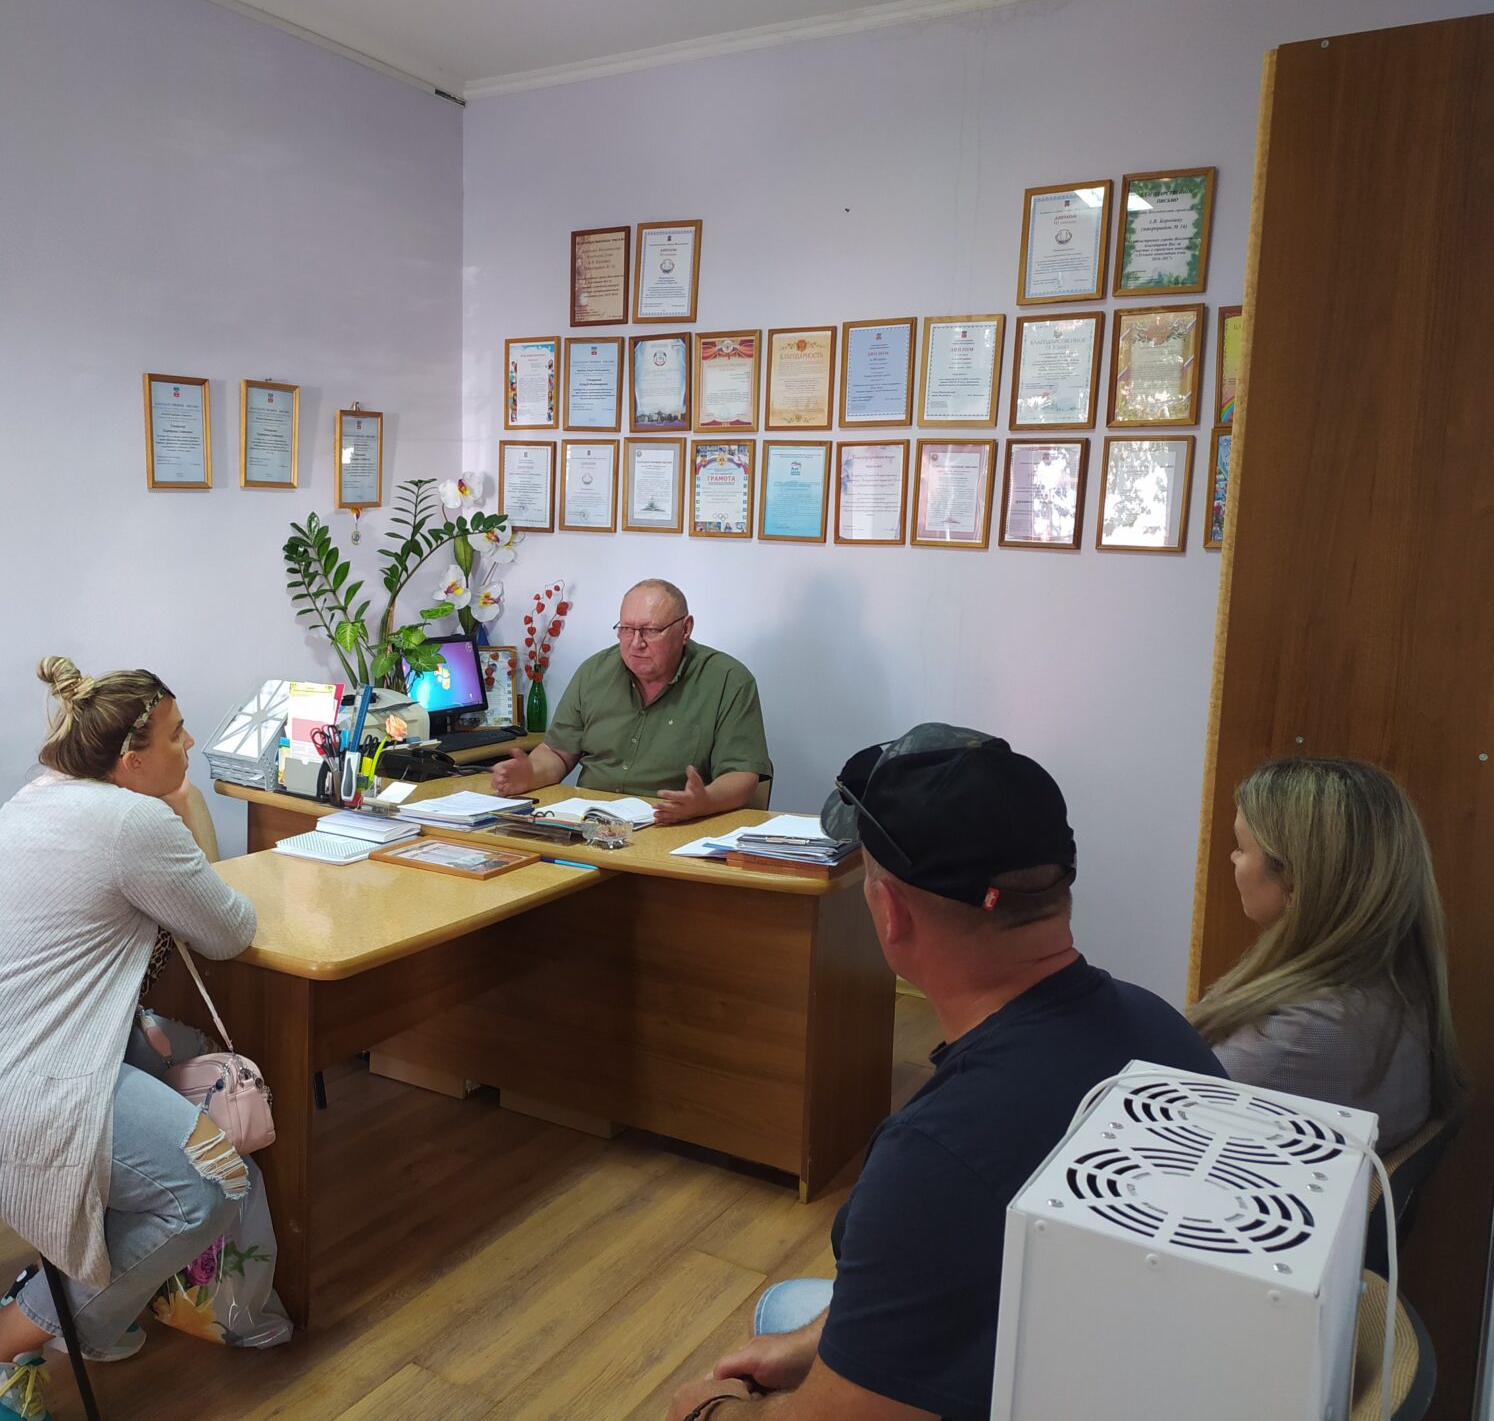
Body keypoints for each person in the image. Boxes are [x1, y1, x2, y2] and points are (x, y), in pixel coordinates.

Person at [668, 724, 1223, 1421]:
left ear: (890, 912)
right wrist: (818, 1344)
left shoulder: (936, 1154)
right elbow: (963, 1269)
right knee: (795, 1315)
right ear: (1057, 884)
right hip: (1129, 1365)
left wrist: (711, 1410)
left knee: (766, 1320)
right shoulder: (1162, 1027)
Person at [0, 657, 258, 1421]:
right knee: (209, 1187)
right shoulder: (133, 822)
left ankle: (84, 1311)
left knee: (155, 1065)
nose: (191, 745)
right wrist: (183, 805)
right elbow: (228, 930)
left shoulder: (40, 795)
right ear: (132, 760)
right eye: (178, 735)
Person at [1189, 756, 1467, 1151]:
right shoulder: (1395, 985)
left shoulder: (1298, 1034)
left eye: (1241, 848)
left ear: (1293, 880)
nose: (1233, 858)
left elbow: (1170, 1119)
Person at [490, 578, 771, 824]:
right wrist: (531, 774)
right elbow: (557, 753)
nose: (636, 643)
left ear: (685, 629)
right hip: (590, 825)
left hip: (676, 824)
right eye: (626, 629)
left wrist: (705, 802)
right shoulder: (594, 672)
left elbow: (742, 775)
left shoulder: (728, 680)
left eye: (650, 631)